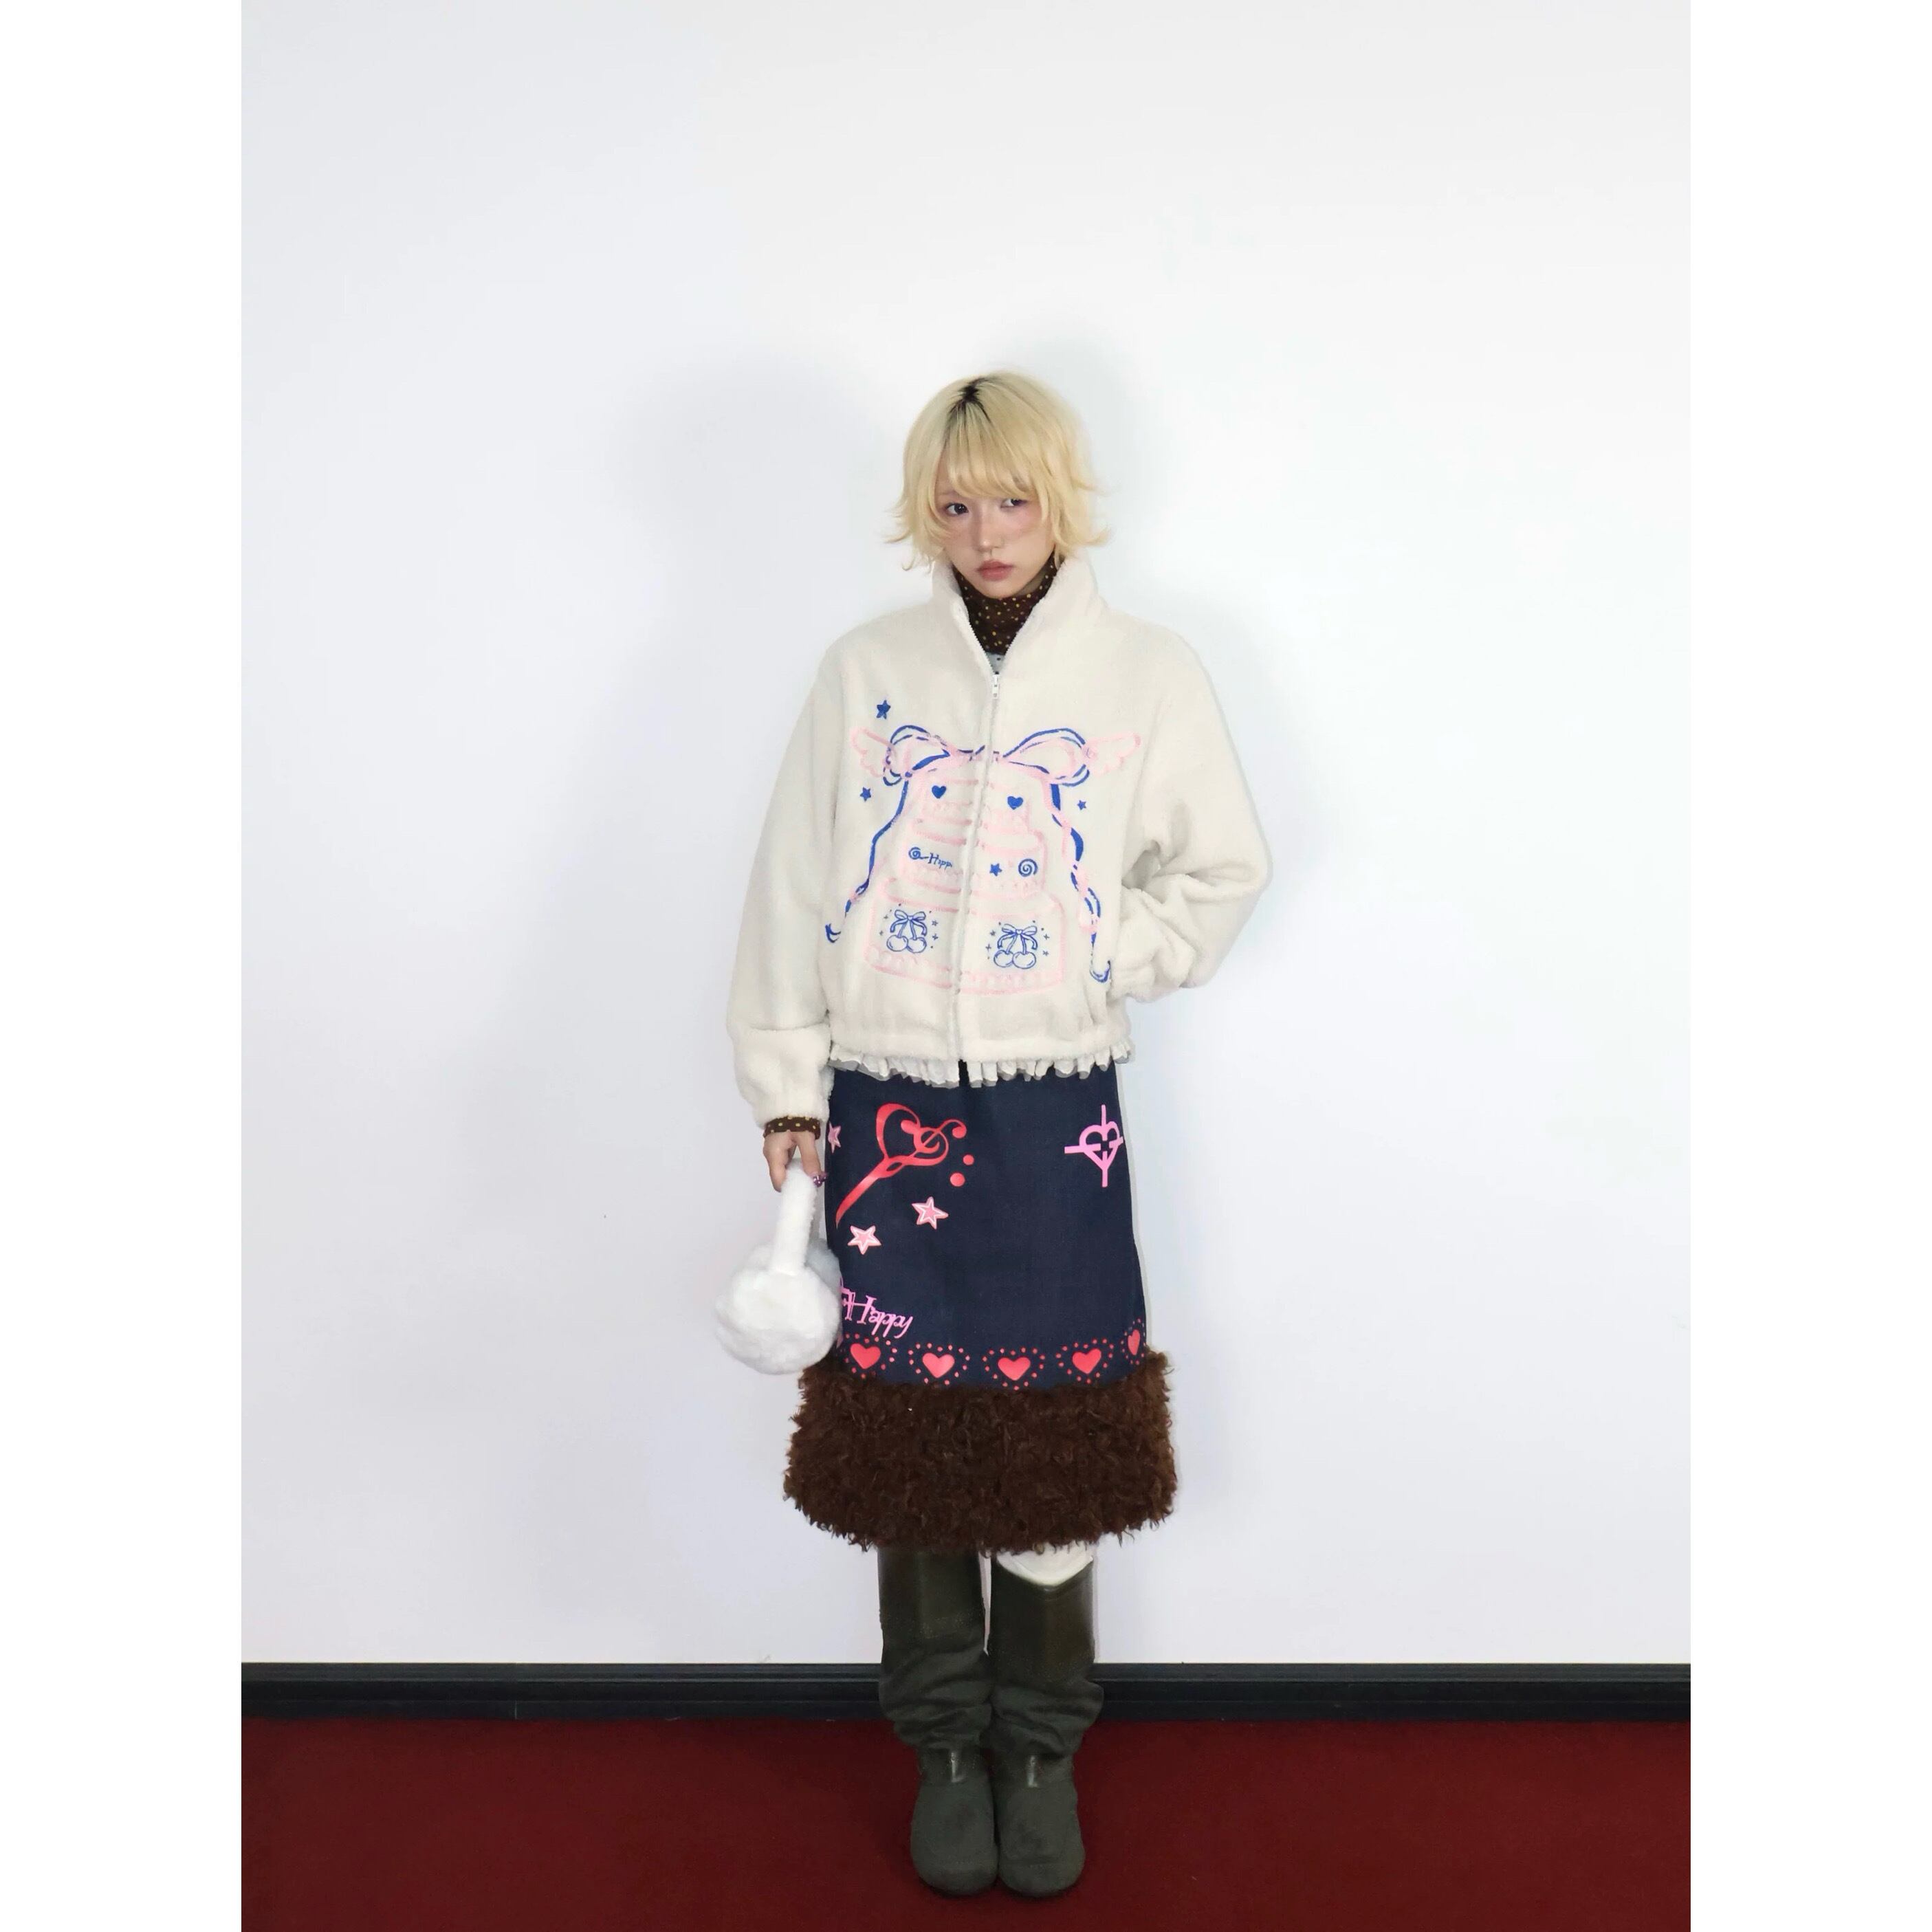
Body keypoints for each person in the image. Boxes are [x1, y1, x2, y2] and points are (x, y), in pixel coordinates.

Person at [725, 370, 1271, 1896]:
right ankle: (941, 1746)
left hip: (1052, 1109)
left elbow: (1221, 871)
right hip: (885, 1095)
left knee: (1051, 1436)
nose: (985, 532)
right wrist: (786, 1082)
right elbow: (792, 879)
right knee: (904, 1434)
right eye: (955, 505)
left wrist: (1104, 947)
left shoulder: (1146, 672)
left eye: (1011, 500)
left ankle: (1037, 1744)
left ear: (1060, 497)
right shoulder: (865, 671)